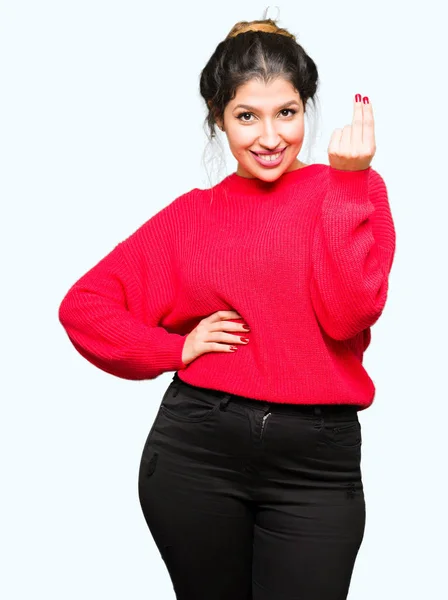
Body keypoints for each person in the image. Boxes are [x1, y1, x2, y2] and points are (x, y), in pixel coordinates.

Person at [58, 16, 396, 600]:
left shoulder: (352, 188)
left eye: (286, 113)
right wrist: (173, 348)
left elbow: (347, 315)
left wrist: (347, 184)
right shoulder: (193, 216)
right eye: (247, 116)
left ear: (307, 109)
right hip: (197, 455)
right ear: (219, 118)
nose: (270, 136)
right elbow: (84, 306)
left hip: (315, 465)